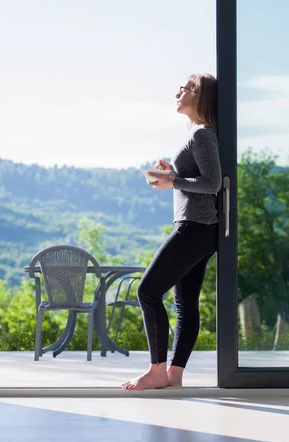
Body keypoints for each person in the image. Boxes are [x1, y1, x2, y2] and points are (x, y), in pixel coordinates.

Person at [122, 73, 221, 390]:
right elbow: (199, 180)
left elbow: (212, 183)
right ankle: (172, 376)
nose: (179, 91)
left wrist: (172, 181)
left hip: (194, 228)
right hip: (200, 229)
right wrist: (173, 174)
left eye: (186, 88)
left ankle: (155, 371)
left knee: (147, 292)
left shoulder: (203, 134)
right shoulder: (200, 134)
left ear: (200, 96)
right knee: (185, 304)